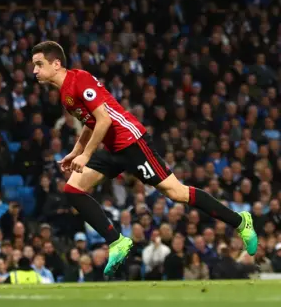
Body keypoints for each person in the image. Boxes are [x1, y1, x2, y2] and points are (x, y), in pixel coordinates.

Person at [30, 41, 257, 276]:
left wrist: (86, 154)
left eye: (39, 64)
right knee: (73, 189)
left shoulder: (81, 80)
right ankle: (116, 241)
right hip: (111, 148)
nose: (35, 70)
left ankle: (241, 222)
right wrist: (77, 150)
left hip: (131, 142)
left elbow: (104, 119)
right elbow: (90, 123)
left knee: (176, 193)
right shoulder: (65, 93)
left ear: (56, 64)